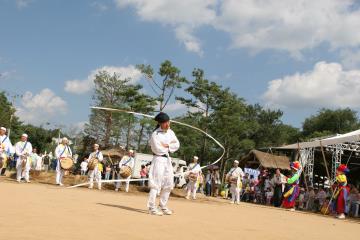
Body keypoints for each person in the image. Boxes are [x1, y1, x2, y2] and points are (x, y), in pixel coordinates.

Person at [147, 112, 180, 216]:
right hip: (158, 159)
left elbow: (177, 144)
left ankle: (163, 205)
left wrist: (168, 146)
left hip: (167, 160)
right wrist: (167, 147)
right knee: (155, 184)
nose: (167, 124)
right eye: (165, 123)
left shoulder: (170, 132)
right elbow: (158, 148)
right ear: (160, 123)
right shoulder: (155, 134)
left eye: (168, 122)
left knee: (169, 183)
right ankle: (152, 207)